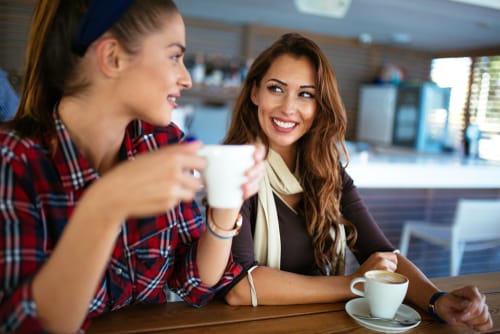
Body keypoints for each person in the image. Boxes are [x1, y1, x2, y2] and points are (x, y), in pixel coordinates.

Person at [0, 1, 265, 333]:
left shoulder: (163, 142)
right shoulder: (14, 160)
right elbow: (20, 324)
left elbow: (194, 282)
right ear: (113, 57)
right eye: (174, 56)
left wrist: (225, 208)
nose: (186, 78)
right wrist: (104, 206)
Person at [221, 32, 492, 332]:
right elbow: (240, 287)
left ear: (320, 105)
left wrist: (436, 300)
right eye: (276, 89)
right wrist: (352, 284)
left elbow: (383, 256)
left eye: (306, 94)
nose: (288, 107)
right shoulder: (234, 169)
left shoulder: (328, 173)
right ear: (255, 92)